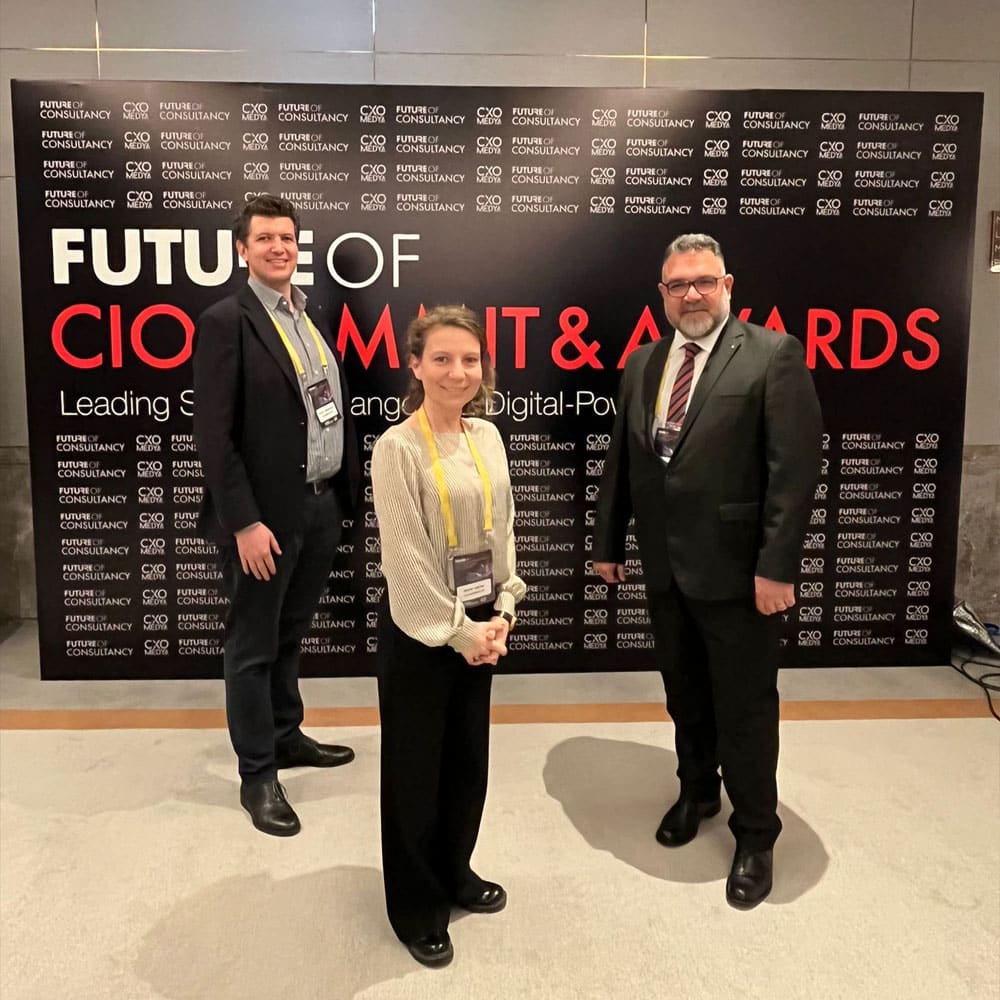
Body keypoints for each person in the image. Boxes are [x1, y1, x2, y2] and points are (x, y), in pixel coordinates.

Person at [592, 233, 822, 909]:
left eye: (703, 282)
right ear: (662, 295)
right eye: (678, 285)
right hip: (666, 568)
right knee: (685, 693)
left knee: (745, 708)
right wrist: (608, 541)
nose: (691, 294)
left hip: (742, 574)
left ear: (727, 286)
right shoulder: (643, 362)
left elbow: (793, 472)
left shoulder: (773, 355)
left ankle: (756, 833)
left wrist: (777, 568)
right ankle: (697, 792)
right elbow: (623, 459)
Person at [193, 194, 359, 837]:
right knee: (252, 647)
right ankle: (257, 775)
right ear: (242, 250)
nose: (278, 247)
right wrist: (243, 522)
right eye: (264, 238)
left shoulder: (307, 318)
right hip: (262, 521)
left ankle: (286, 735)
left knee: (290, 634)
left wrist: (337, 498)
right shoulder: (225, 321)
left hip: (318, 506)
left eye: (286, 237)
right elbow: (214, 436)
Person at [371, 305, 525, 967]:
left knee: (466, 761)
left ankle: (455, 870)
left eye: (469, 359)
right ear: (416, 365)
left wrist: (505, 607)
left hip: (481, 622)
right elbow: (405, 560)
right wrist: (460, 633)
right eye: (441, 358)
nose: (457, 372)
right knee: (415, 771)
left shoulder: (487, 436)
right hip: (423, 630)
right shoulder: (397, 448)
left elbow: (502, 529)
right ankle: (415, 906)